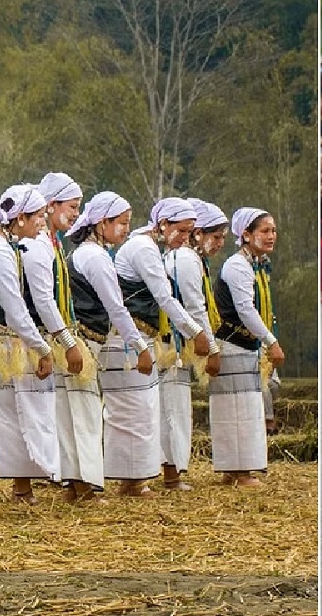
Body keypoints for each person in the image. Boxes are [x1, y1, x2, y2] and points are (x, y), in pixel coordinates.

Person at [108, 197, 215, 497]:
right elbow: (164, 298)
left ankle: (134, 480)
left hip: (139, 338)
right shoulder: (143, 248)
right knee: (136, 411)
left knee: (142, 410)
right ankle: (131, 481)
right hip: (131, 339)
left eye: (189, 232)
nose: (184, 238)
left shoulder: (147, 246)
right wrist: (197, 334)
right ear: (163, 225)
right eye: (180, 231)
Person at [0, 183, 58, 504]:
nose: (42, 223)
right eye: (38, 217)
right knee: (11, 412)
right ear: (20, 218)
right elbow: (15, 310)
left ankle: (26, 485)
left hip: (4, 335)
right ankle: (18, 487)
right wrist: (44, 349)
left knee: (17, 410)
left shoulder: (8, 246)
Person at [63, 192, 145, 504]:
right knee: (85, 417)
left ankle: (76, 485)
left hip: (84, 343)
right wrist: (140, 346)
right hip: (84, 343)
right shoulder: (95, 257)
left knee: (76, 415)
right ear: (102, 223)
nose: (125, 229)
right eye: (121, 223)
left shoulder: (86, 254)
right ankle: (85, 486)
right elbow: (117, 308)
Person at [22, 172, 91, 503]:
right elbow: (43, 301)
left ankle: (70, 482)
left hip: (51, 336)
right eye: (72, 206)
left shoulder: (51, 242)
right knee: (44, 415)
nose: (76, 214)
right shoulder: (37, 246)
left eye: (79, 207)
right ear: (50, 206)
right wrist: (68, 343)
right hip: (41, 339)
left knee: (58, 413)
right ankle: (47, 483)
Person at [157, 198, 227, 490]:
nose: (220, 243)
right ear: (198, 234)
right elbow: (195, 308)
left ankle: (172, 472)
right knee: (172, 409)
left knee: (174, 407)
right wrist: (211, 347)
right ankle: (171, 474)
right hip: (174, 343)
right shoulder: (185, 259)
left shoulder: (192, 259)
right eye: (216, 236)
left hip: (179, 342)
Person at [212, 207, 281, 486]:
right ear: (246, 235)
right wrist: (271, 342)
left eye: (273, 230)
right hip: (233, 345)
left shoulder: (257, 265)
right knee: (238, 411)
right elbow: (245, 310)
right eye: (264, 231)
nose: (271, 236)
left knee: (243, 409)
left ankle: (235, 471)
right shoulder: (238, 266)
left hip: (245, 347)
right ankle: (240, 473)